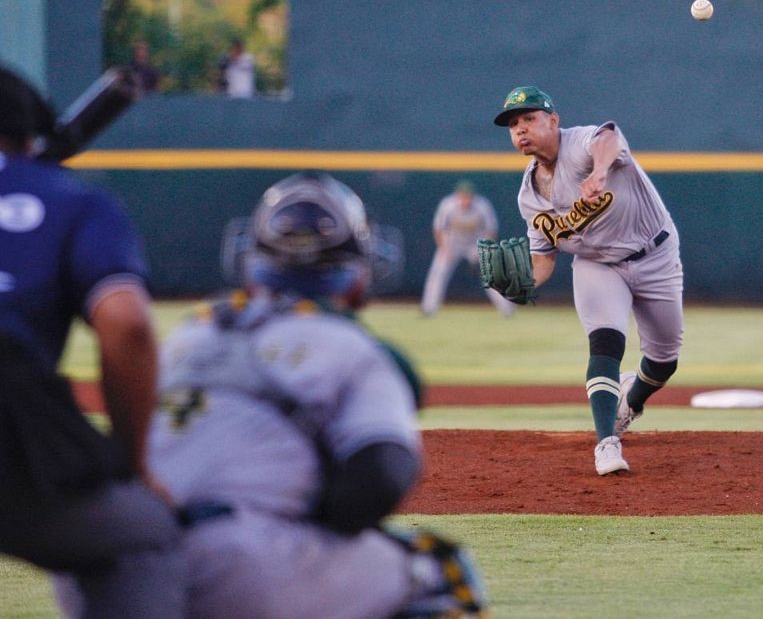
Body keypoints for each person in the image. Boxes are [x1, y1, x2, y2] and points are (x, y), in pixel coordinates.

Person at [108, 172, 486, 617]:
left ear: (252, 264)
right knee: (438, 568)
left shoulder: (189, 334)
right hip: (235, 560)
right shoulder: (351, 345)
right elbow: (381, 475)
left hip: (110, 558)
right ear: (355, 276)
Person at [0, 65, 185, 615]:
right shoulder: (72, 201)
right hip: (13, 426)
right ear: (32, 134)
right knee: (141, 535)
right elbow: (127, 324)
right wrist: (133, 463)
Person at [493, 86, 684, 476]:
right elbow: (543, 258)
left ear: (553, 120)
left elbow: (609, 138)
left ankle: (631, 401)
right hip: (597, 263)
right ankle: (606, 442)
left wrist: (598, 173)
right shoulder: (529, 196)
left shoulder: (581, 142)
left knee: (665, 360)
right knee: (605, 341)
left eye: (529, 119)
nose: (521, 130)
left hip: (654, 253)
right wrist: (520, 281)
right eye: (513, 125)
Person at [421, 180, 515, 317]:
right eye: (463, 196)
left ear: (472, 196)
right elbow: (438, 229)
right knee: (438, 273)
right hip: (452, 244)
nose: (465, 199)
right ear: (457, 196)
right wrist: (444, 249)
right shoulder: (448, 205)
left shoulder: (482, 205)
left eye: (468, 196)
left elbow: (491, 230)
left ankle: (507, 310)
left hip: (475, 244)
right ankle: (428, 309)